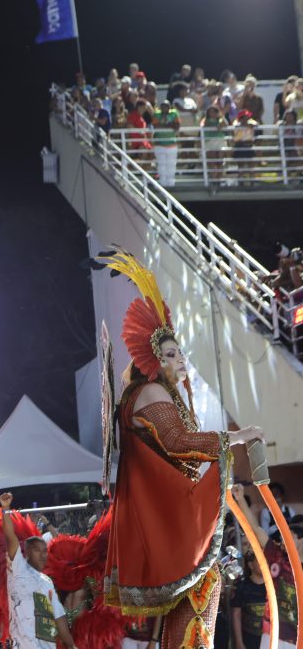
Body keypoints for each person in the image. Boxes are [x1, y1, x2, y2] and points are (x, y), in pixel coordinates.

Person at [95, 250, 264, 648]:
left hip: (165, 512)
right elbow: (177, 442)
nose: (180, 360)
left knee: (204, 583)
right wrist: (234, 438)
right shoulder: (151, 389)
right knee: (204, 581)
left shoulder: (153, 392)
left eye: (178, 352)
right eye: (170, 354)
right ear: (153, 360)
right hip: (168, 515)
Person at [0, 493, 79, 649]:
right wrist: (5, 509)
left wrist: (71, 645)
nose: (43, 555)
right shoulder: (18, 569)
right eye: (37, 550)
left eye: (44, 551)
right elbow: (10, 537)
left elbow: (59, 617)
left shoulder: (47, 581)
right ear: (27, 553)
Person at [231, 484, 301, 649]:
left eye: (290, 537)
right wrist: (241, 499)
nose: (284, 541)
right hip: (272, 634)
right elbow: (256, 529)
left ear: (300, 540)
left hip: (297, 638)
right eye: (284, 537)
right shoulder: (276, 555)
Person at [230, 546, 268, 649]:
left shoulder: (274, 586)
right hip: (249, 638)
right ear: (251, 565)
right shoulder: (241, 585)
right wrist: (239, 642)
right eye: (260, 561)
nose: (265, 564)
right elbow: (236, 614)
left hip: (268, 638)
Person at [153, 101, 181, 187]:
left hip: (172, 143)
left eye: (167, 106)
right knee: (161, 164)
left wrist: (165, 124)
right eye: (163, 106)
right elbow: (156, 126)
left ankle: (171, 183)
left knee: (171, 164)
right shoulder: (156, 114)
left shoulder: (174, 113)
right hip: (159, 144)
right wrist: (169, 124)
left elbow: (177, 126)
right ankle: (162, 183)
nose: (165, 108)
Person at [201, 105, 229, 183]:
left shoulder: (220, 119)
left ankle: (218, 179)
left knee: (220, 160)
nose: (212, 113)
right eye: (211, 112)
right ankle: (213, 179)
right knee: (211, 160)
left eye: (214, 112)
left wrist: (221, 117)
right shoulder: (205, 120)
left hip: (220, 140)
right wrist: (215, 126)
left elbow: (225, 124)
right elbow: (203, 125)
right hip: (209, 141)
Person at [232, 111, 258, 184]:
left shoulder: (251, 125)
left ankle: (252, 181)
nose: (247, 119)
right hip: (240, 146)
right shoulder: (237, 126)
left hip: (249, 146)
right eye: (245, 117)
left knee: (251, 164)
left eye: (247, 117)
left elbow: (256, 124)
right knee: (241, 165)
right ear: (241, 118)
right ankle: (241, 181)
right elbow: (237, 138)